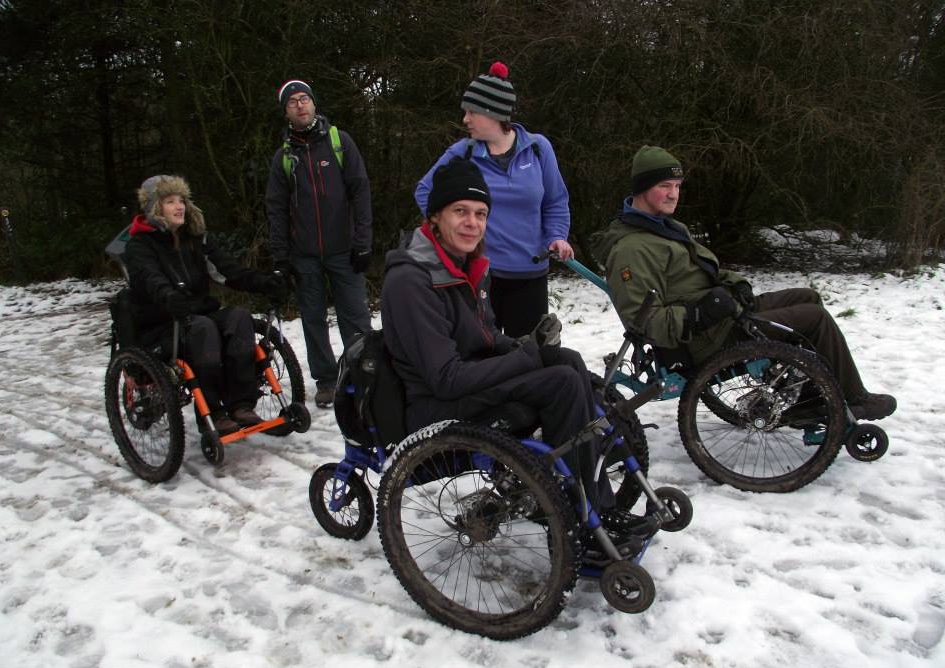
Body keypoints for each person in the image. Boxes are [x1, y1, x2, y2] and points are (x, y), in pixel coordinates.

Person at [590, 145, 897, 421]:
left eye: (677, 186)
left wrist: (736, 284)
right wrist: (699, 315)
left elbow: (703, 270)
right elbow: (643, 321)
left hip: (722, 314)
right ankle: (851, 398)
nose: (673, 194)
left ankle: (808, 399)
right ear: (642, 189)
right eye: (664, 186)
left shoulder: (665, 226)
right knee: (813, 319)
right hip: (704, 337)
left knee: (807, 296)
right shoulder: (632, 249)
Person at [383, 157, 618, 514]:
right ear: (435, 217)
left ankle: (593, 498)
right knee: (560, 382)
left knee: (567, 360)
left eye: (480, 214)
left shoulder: (467, 264)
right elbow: (445, 378)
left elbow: (486, 336)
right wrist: (525, 358)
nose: (472, 223)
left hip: (467, 386)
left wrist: (526, 345)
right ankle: (581, 516)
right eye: (460, 210)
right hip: (433, 406)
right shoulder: (411, 281)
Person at [414, 62, 572, 339]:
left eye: (471, 112)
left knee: (527, 360)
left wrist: (556, 236)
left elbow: (555, 201)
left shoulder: (537, 148)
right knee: (480, 358)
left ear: (493, 113)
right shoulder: (463, 153)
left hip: (529, 275)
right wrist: (453, 235)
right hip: (478, 275)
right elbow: (426, 191)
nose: (465, 119)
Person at [125, 175, 286, 435]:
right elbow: (149, 279)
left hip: (198, 314)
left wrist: (263, 282)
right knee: (204, 329)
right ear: (155, 208)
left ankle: (242, 404)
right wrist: (169, 297)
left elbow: (227, 270)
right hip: (162, 323)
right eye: (170, 201)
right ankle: (213, 412)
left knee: (238, 318)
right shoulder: (139, 246)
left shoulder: (196, 239)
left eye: (182, 201)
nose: (179, 207)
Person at [265, 79, 373, 409]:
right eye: (293, 102)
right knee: (312, 318)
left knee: (354, 316)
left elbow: (361, 191)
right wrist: (281, 256)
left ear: (314, 104)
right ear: (286, 112)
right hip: (304, 254)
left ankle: (363, 376)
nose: (301, 105)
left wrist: (363, 242)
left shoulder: (340, 143)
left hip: (344, 249)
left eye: (305, 99)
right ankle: (326, 381)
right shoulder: (283, 157)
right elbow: (276, 208)